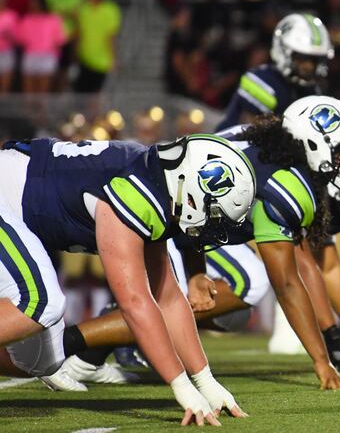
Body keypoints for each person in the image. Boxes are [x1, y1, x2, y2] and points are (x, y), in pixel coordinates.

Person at [48, 96, 340, 390]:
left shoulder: (262, 139)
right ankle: (61, 346)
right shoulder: (287, 181)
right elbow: (286, 282)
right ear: (317, 140)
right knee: (249, 283)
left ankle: (89, 358)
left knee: (230, 312)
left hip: (164, 205)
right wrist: (320, 360)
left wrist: (195, 273)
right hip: (161, 212)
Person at [0, 133, 255, 426]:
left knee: (42, 361)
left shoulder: (158, 188)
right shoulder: (136, 189)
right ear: (193, 188)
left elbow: (169, 298)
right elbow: (134, 303)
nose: (212, 225)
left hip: (16, 215)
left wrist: (205, 380)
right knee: (39, 301)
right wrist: (180, 385)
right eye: (213, 214)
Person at [216, 13, 333, 130]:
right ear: (283, 50)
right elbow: (249, 139)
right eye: (301, 58)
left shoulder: (311, 90)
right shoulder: (262, 81)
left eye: (314, 60)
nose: (309, 66)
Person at [16, 0, 65, 93]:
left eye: (34, 2)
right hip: (30, 56)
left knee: (43, 90)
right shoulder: (27, 19)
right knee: (29, 89)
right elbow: (20, 40)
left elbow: (59, 40)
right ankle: (29, 108)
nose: (33, 5)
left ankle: (42, 108)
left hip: (47, 56)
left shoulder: (53, 19)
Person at [73, 0, 120, 92]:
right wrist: (76, 52)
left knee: (95, 92)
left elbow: (110, 36)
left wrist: (112, 58)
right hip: (84, 57)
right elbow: (79, 33)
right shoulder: (83, 9)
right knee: (81, 92)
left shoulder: (110, 9)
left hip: (101, 61)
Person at [0, 0, 17, 92]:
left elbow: (17, 37)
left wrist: (9, 36)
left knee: (5, 82)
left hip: (6, 52)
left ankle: (3, 105)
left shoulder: (11, 15)